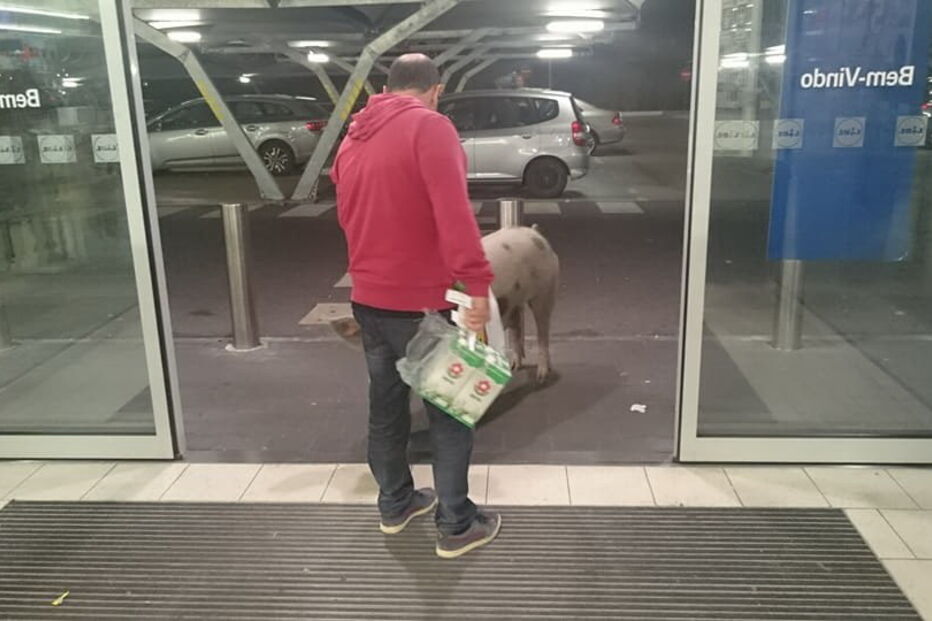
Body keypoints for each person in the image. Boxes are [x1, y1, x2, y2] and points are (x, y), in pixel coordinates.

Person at [330, 53, 501, 559]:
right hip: (422, 304)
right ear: (436, 89)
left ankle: (396, 503)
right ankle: (456, 525)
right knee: (451, 414)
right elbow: (454, 214)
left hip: (368, 299)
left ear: (386, 88)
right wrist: (476, 286)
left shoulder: (354, 135)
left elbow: (348, 213)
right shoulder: (431, 127)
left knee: (386, 408)